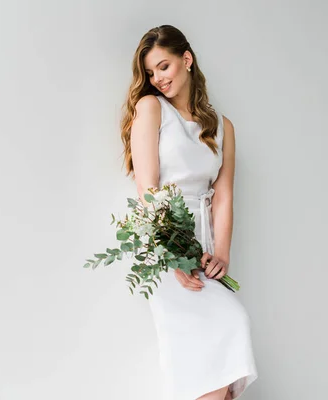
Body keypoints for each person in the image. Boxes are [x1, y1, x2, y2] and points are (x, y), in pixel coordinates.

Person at [119, 25, 258, 400]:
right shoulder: (151, 109)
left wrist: (223, 254)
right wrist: (173, 252)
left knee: (216, 361)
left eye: (163, 66)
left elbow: (224, 194)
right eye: (150, 73)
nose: (158, 78)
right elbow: (147, 189)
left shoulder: (223, 127)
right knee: (217, 339)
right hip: (163, 244)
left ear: (187, 59)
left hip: (205, 244)